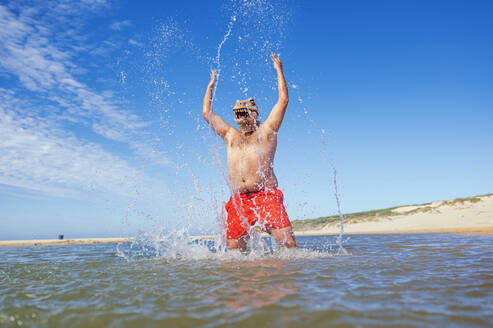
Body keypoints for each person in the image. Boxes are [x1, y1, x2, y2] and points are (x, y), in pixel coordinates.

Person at [202, 54, 296, 252]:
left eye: (245, 112)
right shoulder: (230, 136)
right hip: (238, 201)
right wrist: (210, 86)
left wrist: (278, 69)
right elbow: (206, 113)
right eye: (238, 113)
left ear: (255, 114)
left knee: (290, 247)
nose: (241, 115)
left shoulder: (267, 132)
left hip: (266, 196)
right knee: (234, 256)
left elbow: (283, 100)